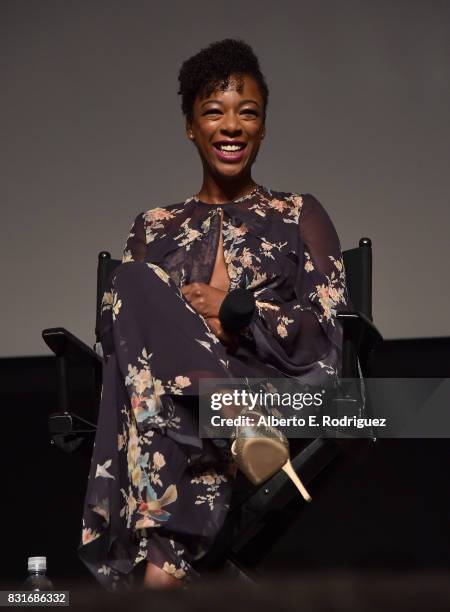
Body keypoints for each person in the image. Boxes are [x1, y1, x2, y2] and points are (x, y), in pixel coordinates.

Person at [78, 38, 349, 591]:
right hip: (198, 413)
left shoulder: (298, 213)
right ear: (190, 126)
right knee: (131, 284)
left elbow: (327, 331)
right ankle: (228, 433)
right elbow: (118, 331)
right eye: (213, 112)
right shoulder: (153, 226)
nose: (231, 126)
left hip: (270, 395)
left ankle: (160, 567)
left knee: (164, 408)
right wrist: (188, 329)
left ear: (263, 126)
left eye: (247, 113)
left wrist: (236, 314)